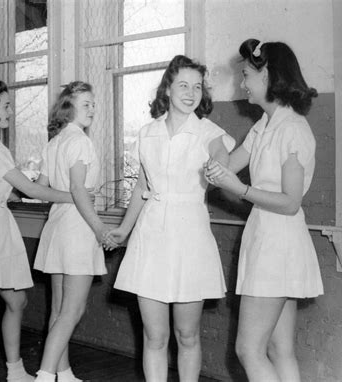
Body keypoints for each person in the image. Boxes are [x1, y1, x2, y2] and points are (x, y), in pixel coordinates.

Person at [105, 55, 235, 382]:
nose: (190, 93)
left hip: (190, 235)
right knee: (154, 335)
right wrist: (123, 229)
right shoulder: (148, 133)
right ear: (168, 88)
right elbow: (141, 186)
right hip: (150, 236)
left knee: (187, 334)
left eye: (197, 87)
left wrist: (218, 167)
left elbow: (221, 155)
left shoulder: (209, 132)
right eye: (183, 85)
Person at [205, 39, 324, 382]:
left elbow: (290, 202)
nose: (242, 85)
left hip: (279, 242)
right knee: (277, 349)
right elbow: (232, 161)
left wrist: (238, 188)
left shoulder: (293, 130)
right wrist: (213, 152)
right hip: (267, 238)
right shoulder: (264, 125)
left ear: (268, 74)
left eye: (246, 76)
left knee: (248, 350)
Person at [0, 80, 77, 382]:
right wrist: (74, 195)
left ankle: (16, 370)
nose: (11, 111)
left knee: (17, 301)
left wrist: (6, 193)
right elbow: (32, 188)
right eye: (6, 105)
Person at [33, 81, 113, 382]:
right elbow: (79, 190)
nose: (92, 109)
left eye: (94, 103)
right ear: (69, 108)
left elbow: (41, 190)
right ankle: (44, 375)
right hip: (78, 227)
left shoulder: (53, 143)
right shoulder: (80, 141)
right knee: (72, 311)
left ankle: (63, 373)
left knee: (58, 310)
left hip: (56, 226)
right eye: (85, 104)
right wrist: (100, 229)